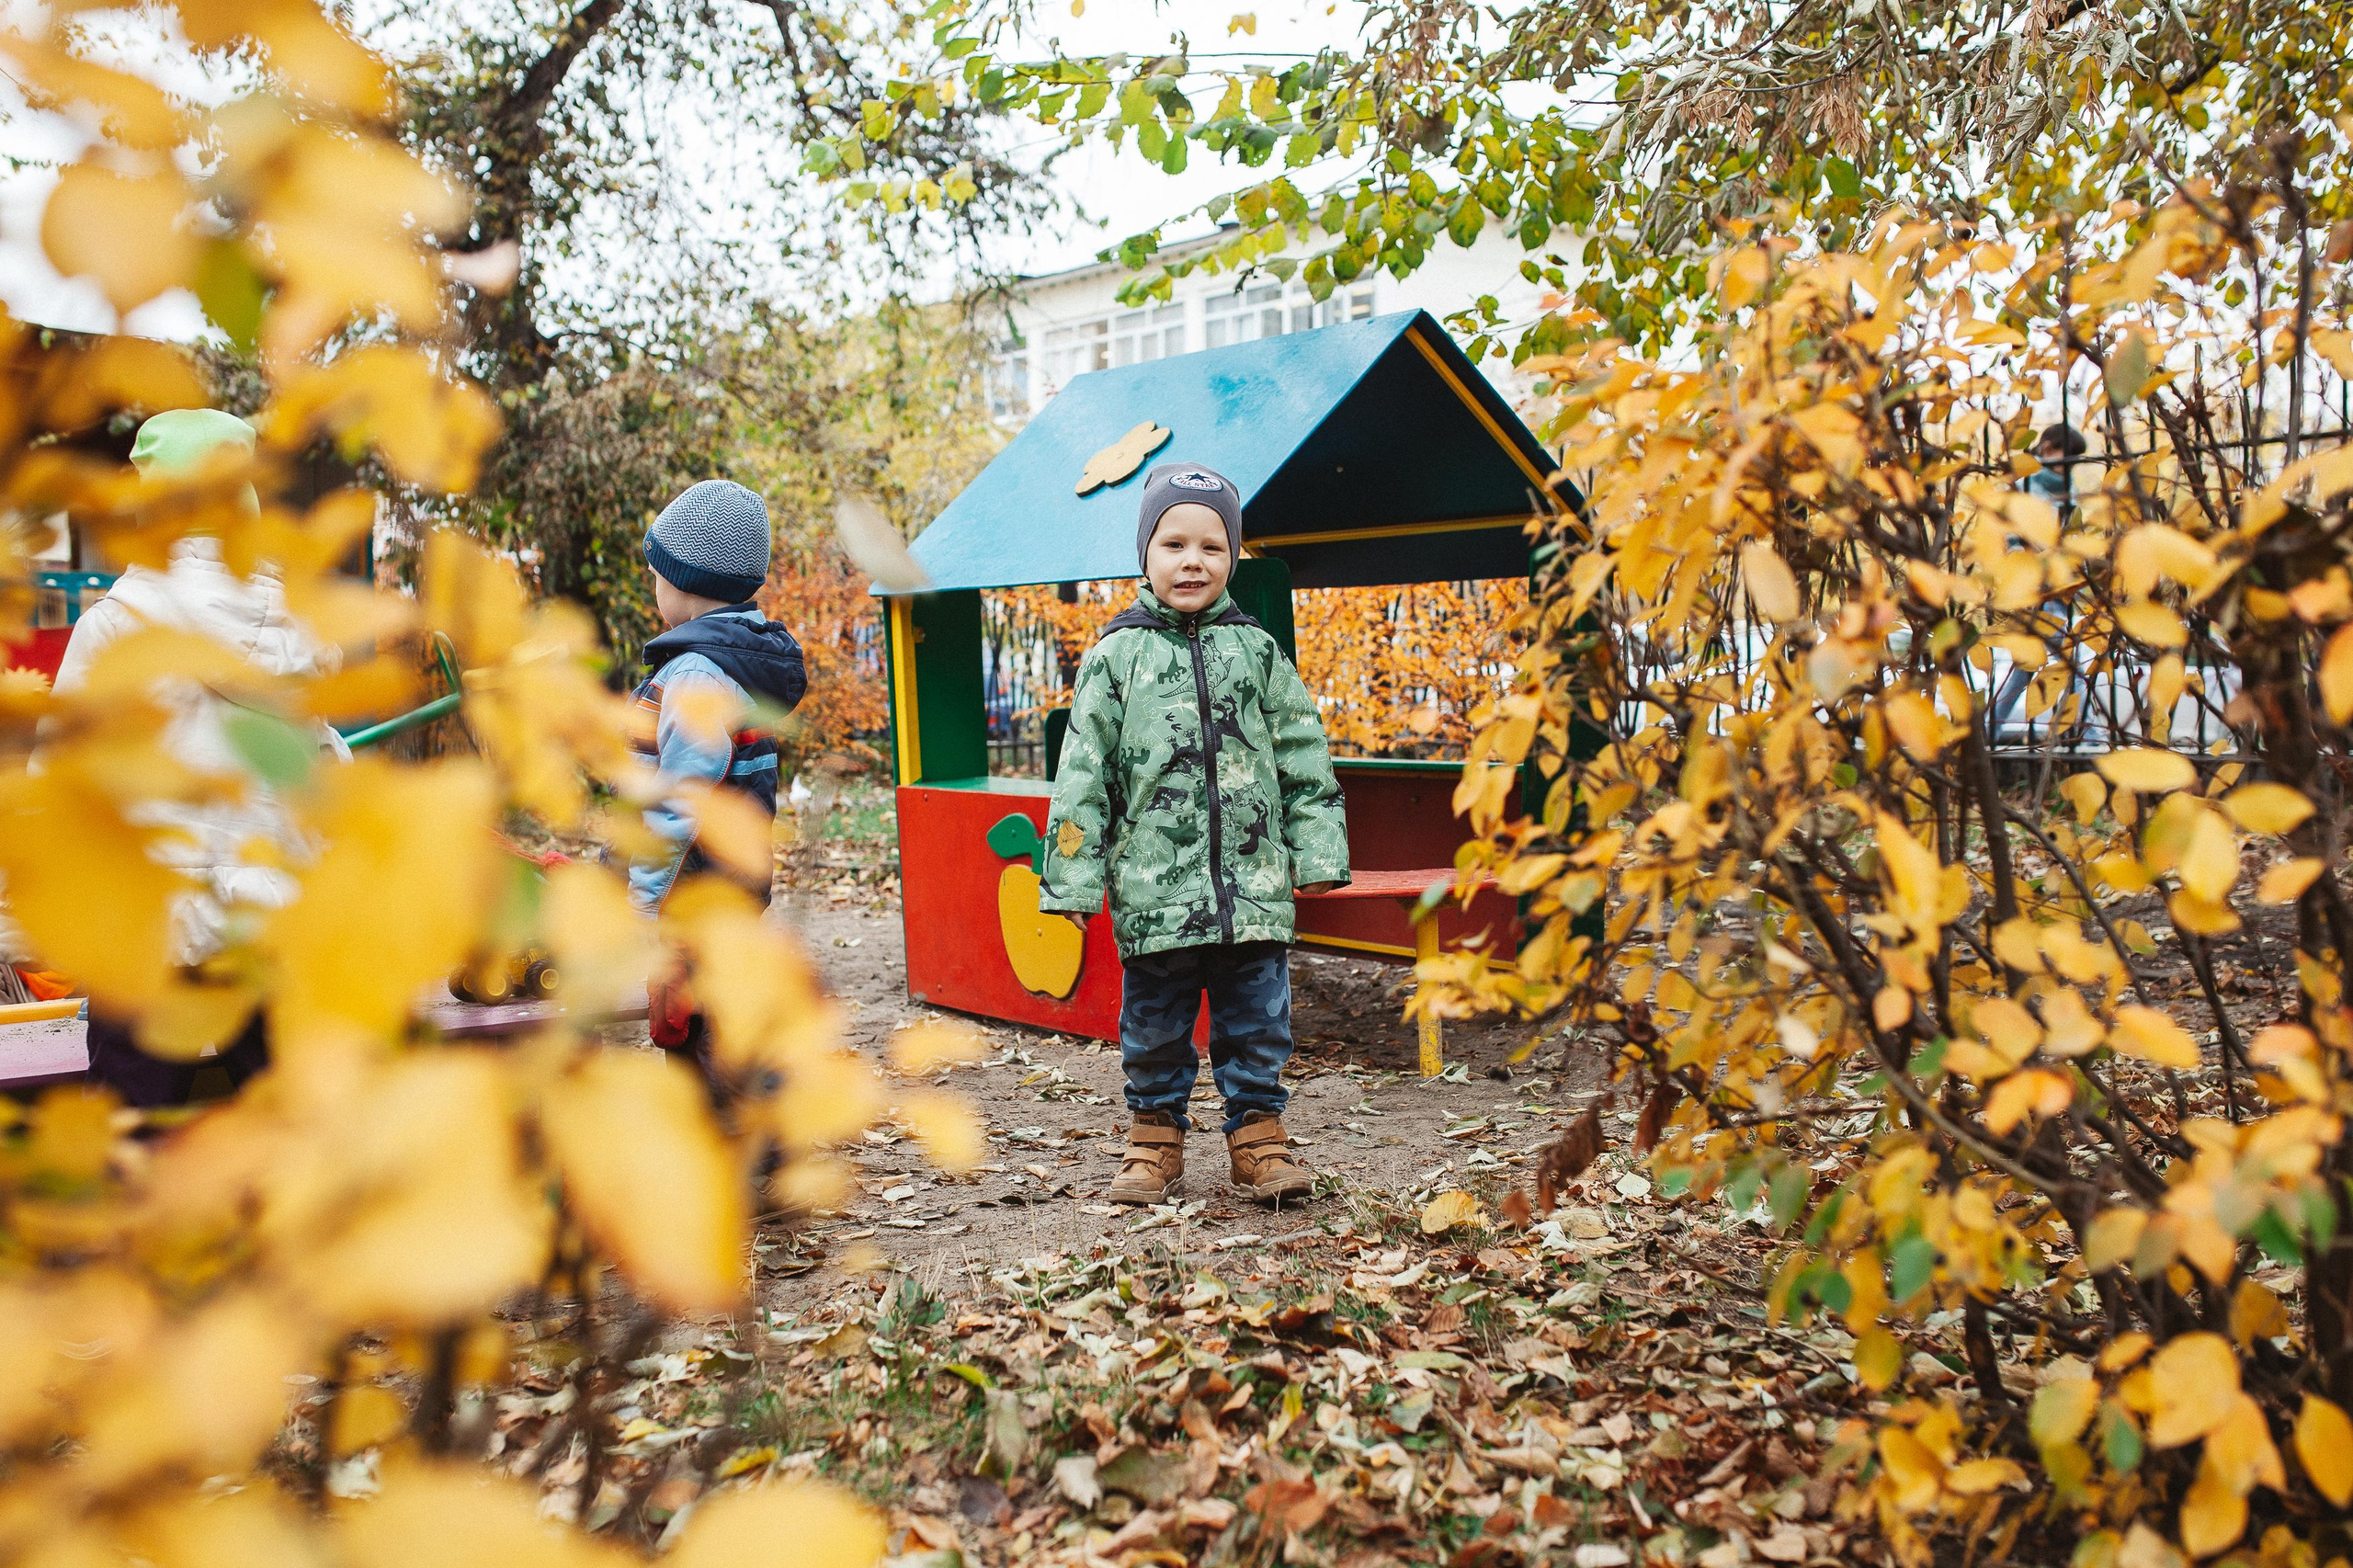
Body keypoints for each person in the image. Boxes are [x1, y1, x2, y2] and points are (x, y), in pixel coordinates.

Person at [1039, 463, 1350, 1206]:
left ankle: (1260, 1141)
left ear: (1233, 558)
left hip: (1255, 892)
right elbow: (1083, 775)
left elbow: (1304, 754)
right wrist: (1072, 880)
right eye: (1173, 543)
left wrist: (1319, 853)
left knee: (1258, 1024)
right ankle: (1153, 1141)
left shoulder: (1258, 651)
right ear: (1145, 554)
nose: (1193, 561)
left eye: (1212, 547)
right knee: (1154, 1030)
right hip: (1155, 893)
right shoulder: (1117, 657)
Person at [48, 408, 347, 1106]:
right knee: (287, 1121)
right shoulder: (300, 633)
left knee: (129, 1128)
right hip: (268, 918)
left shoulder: (114, 630)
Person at [629, 480, 807, 1062]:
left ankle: (728, 1133)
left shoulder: (696, 677)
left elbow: (682, 798)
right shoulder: (739, 665)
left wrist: (643, 899)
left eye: (656, 576)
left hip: (696, 889)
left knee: (693, 1021)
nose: (654, 589)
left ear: (685, 581)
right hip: (734, 882)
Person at [1990, 421, 2088, 741]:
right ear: (2046, 448)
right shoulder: (2029, 487)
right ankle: (2083, 736)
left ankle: (1986, 731)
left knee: (2026, 668)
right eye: (2067, 453)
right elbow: (2013, 539)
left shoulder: (2066, 492)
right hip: (2036, 589)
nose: (2071, 461)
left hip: (2060, 591)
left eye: (2077, 456)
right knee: (2071, 663)